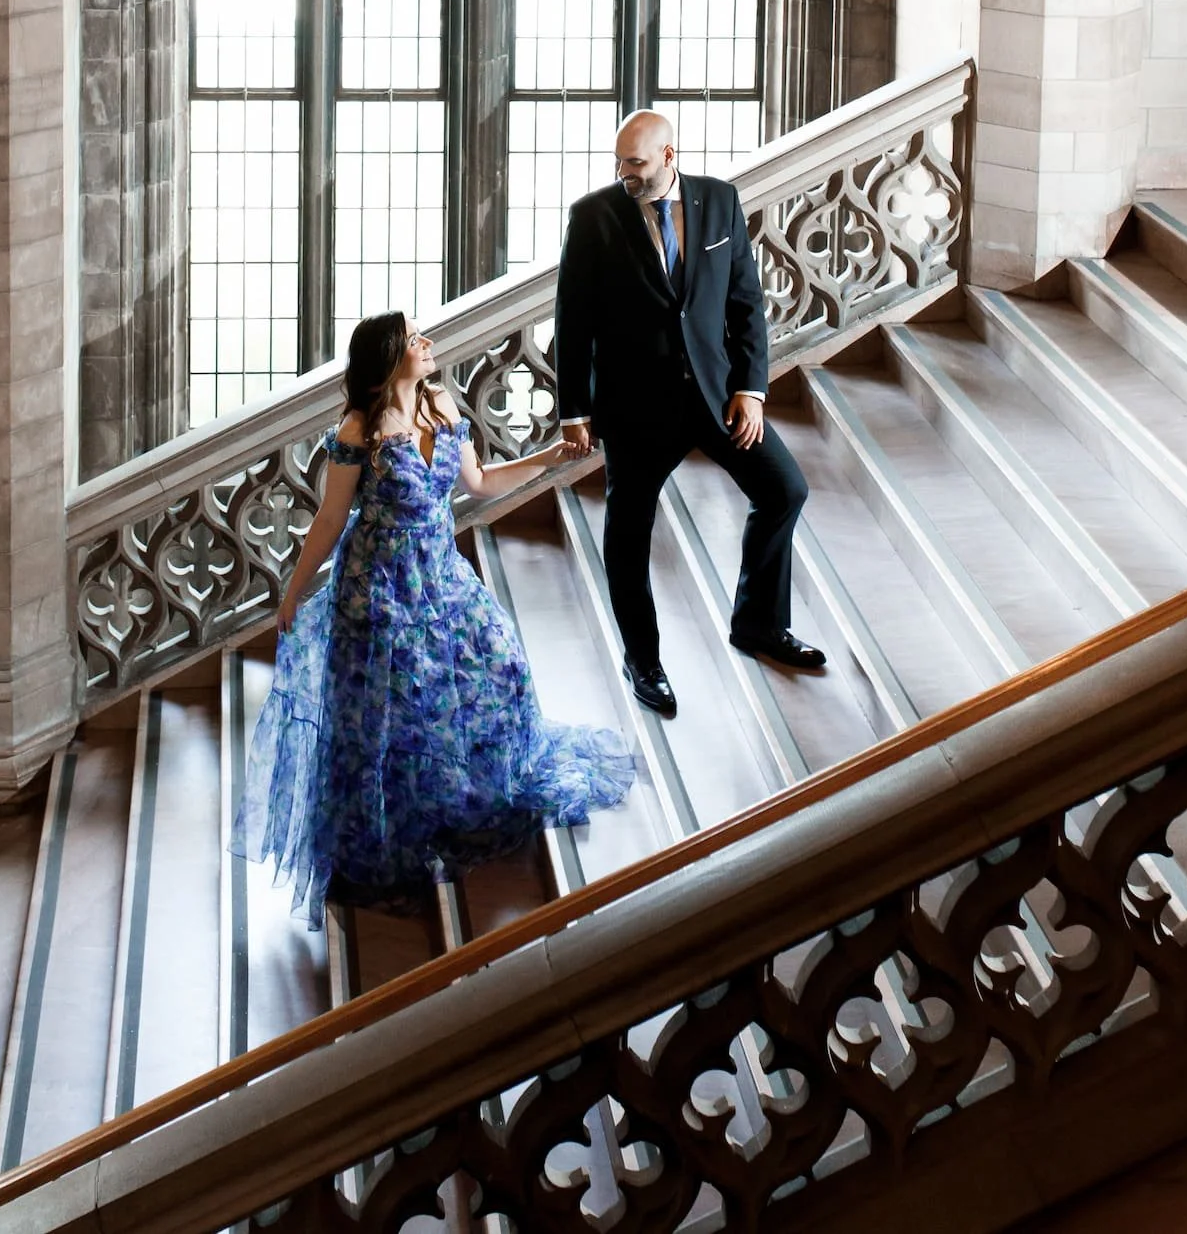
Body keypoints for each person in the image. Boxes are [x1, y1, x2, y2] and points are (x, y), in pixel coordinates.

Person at [246, 309, 634, 924]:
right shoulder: (359, 431)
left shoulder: (443, 405)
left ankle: (465, 798)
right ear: (389, 356)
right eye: (414, 338)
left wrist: (548, 457)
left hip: (441, 576)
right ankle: (389, 827)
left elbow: (477, 483)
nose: (427, 344)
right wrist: (294, 593)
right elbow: (329, 520)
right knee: (389, 715)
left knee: (497, 667)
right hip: (377, 592)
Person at [556, 109, 825, 717]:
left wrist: (751, 389)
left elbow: (745, 304)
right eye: (620, 162)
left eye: (636, 163)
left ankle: (758, 623)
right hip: (635, 409)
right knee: (628, 537)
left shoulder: (720, 201)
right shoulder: (592, 218)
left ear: (669, 156)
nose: (624, 173)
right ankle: (642, 659)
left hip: (717, 396)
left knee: (785, 490)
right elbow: (573, 322)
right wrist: (573, 409)